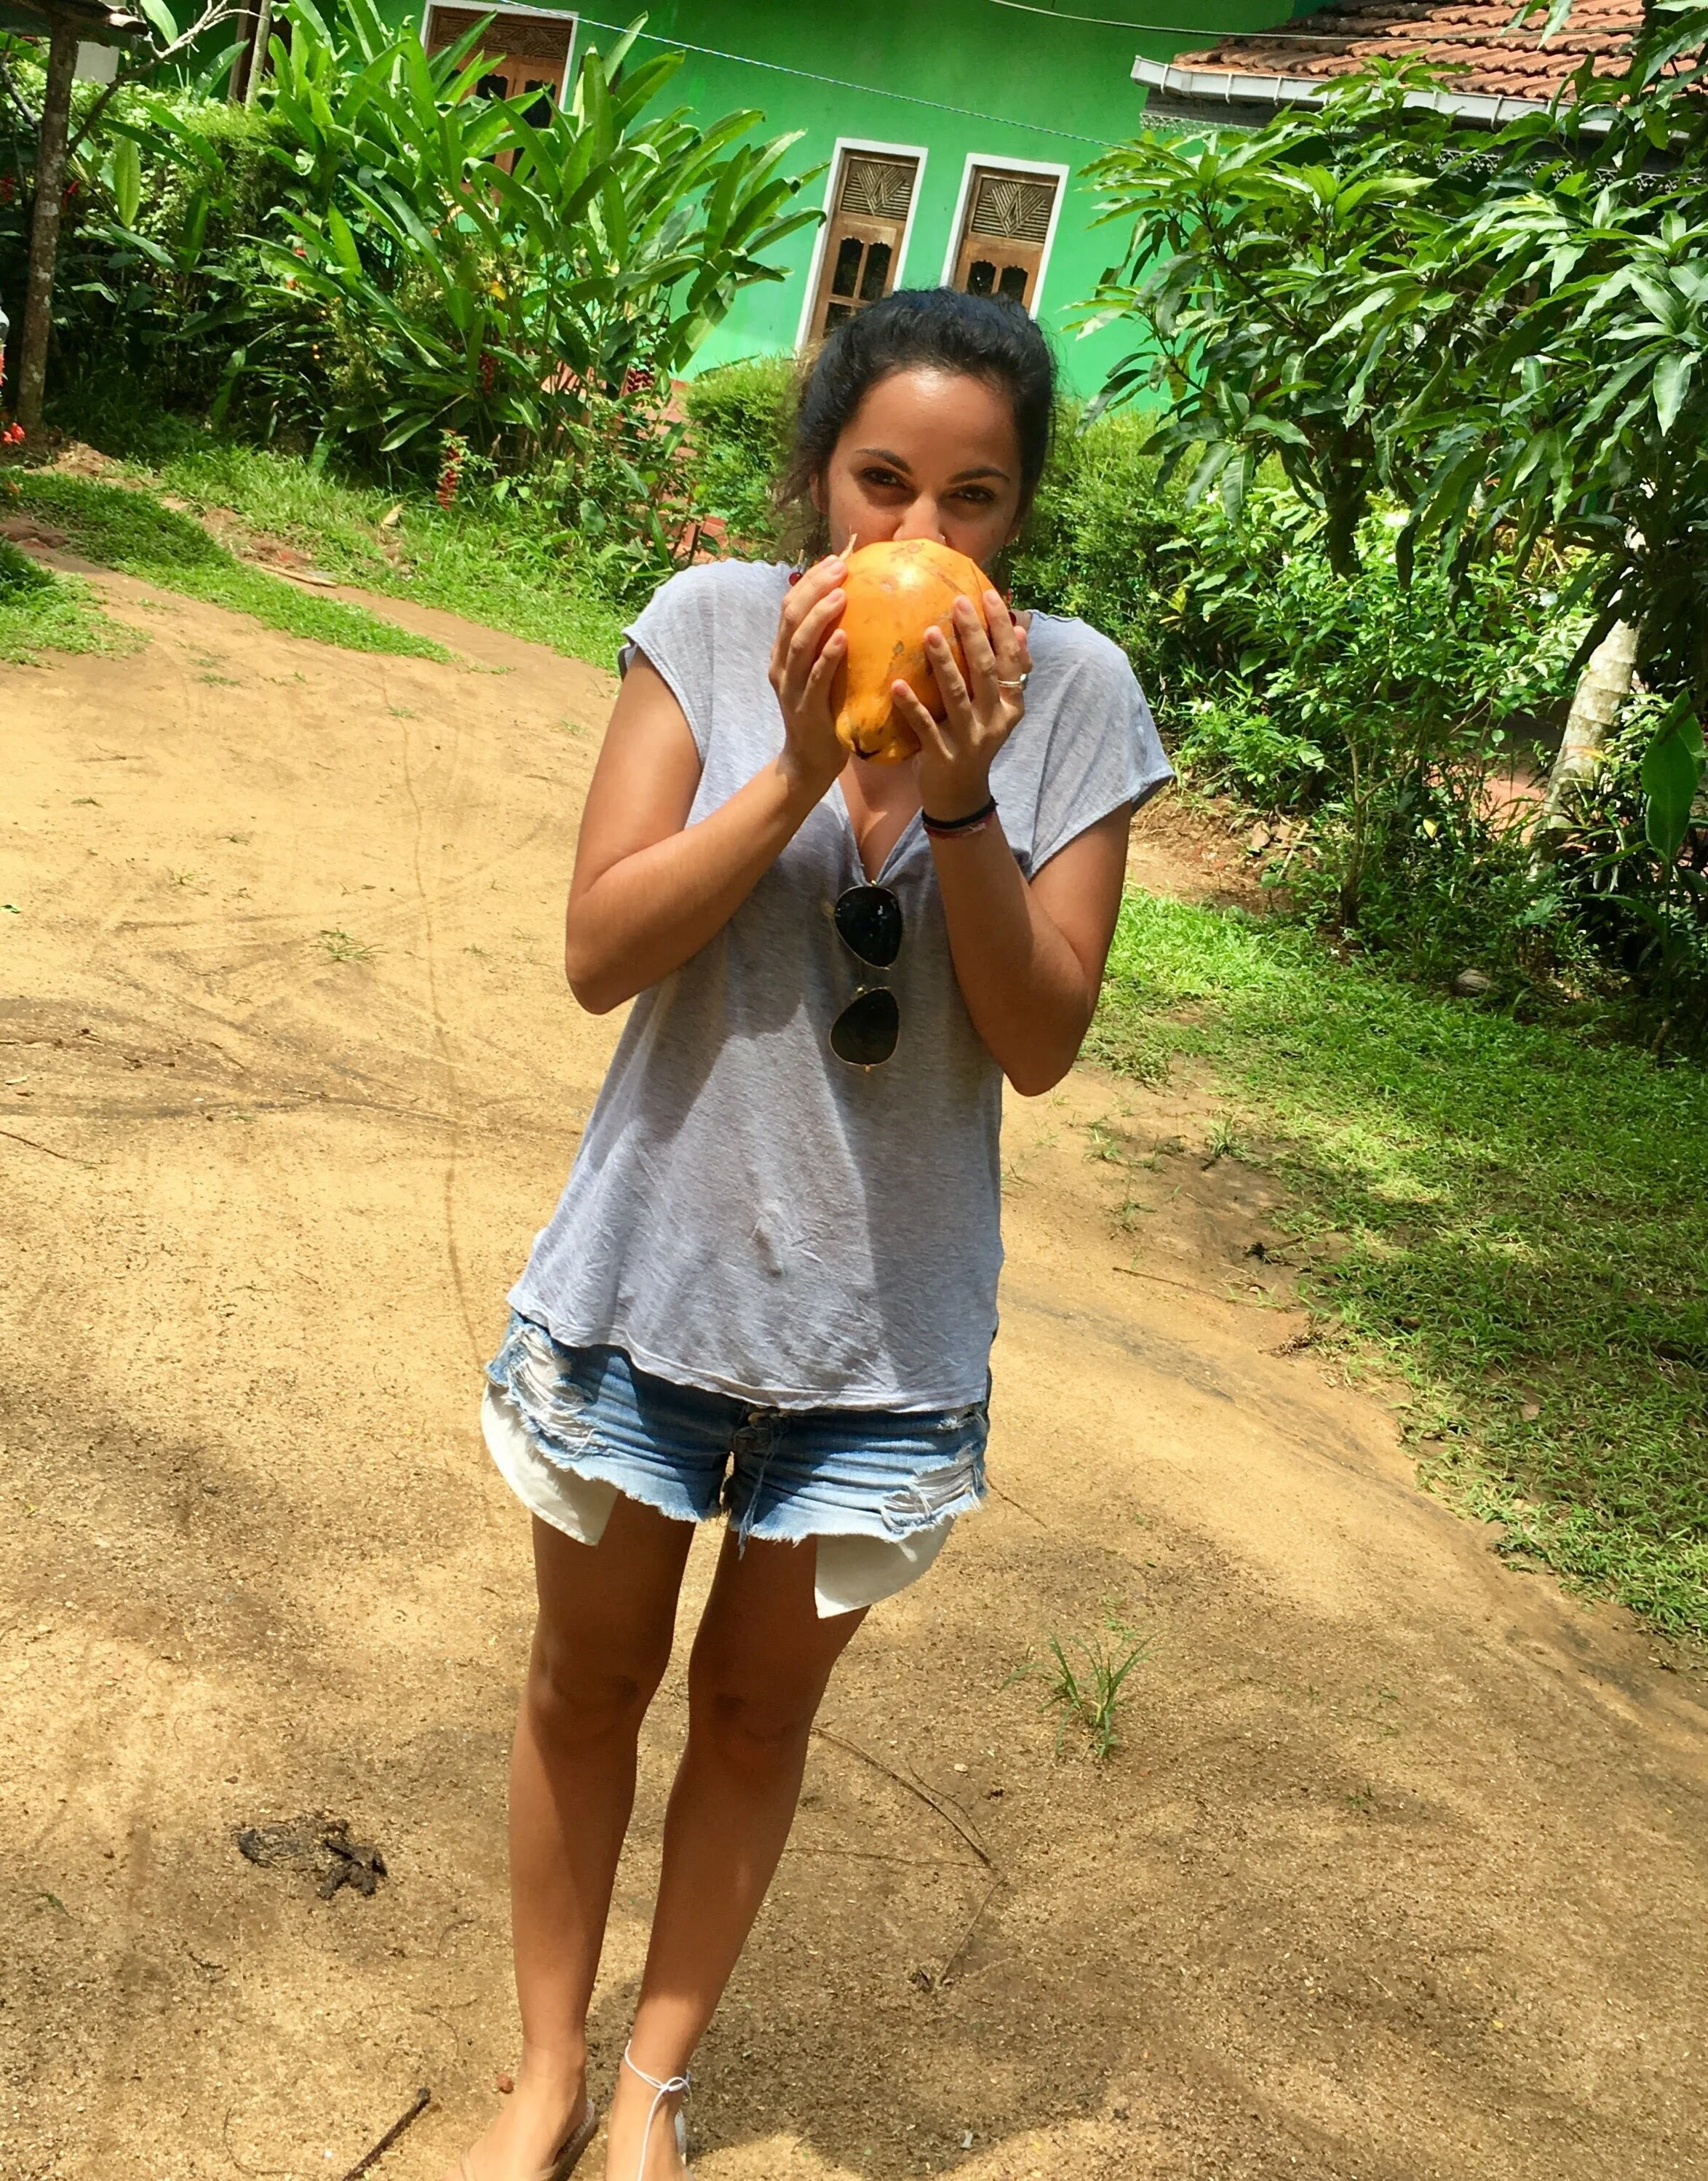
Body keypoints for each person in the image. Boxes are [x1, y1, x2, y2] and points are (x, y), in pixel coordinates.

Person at [450, 287, 1172, 2181]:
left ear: (1019, 517)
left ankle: (649, 2090)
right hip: (648, 1285)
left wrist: (958, 798)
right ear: (819, 479)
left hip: (876, 1343)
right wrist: (786, 759)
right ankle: (540, 2071)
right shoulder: (705, 628)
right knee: (585, 1683)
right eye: (882, 486)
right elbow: (601, 947)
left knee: (757, 1714)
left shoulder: (1070, 698)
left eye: (974, 499)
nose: (920, 542)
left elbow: (1039, 1039)